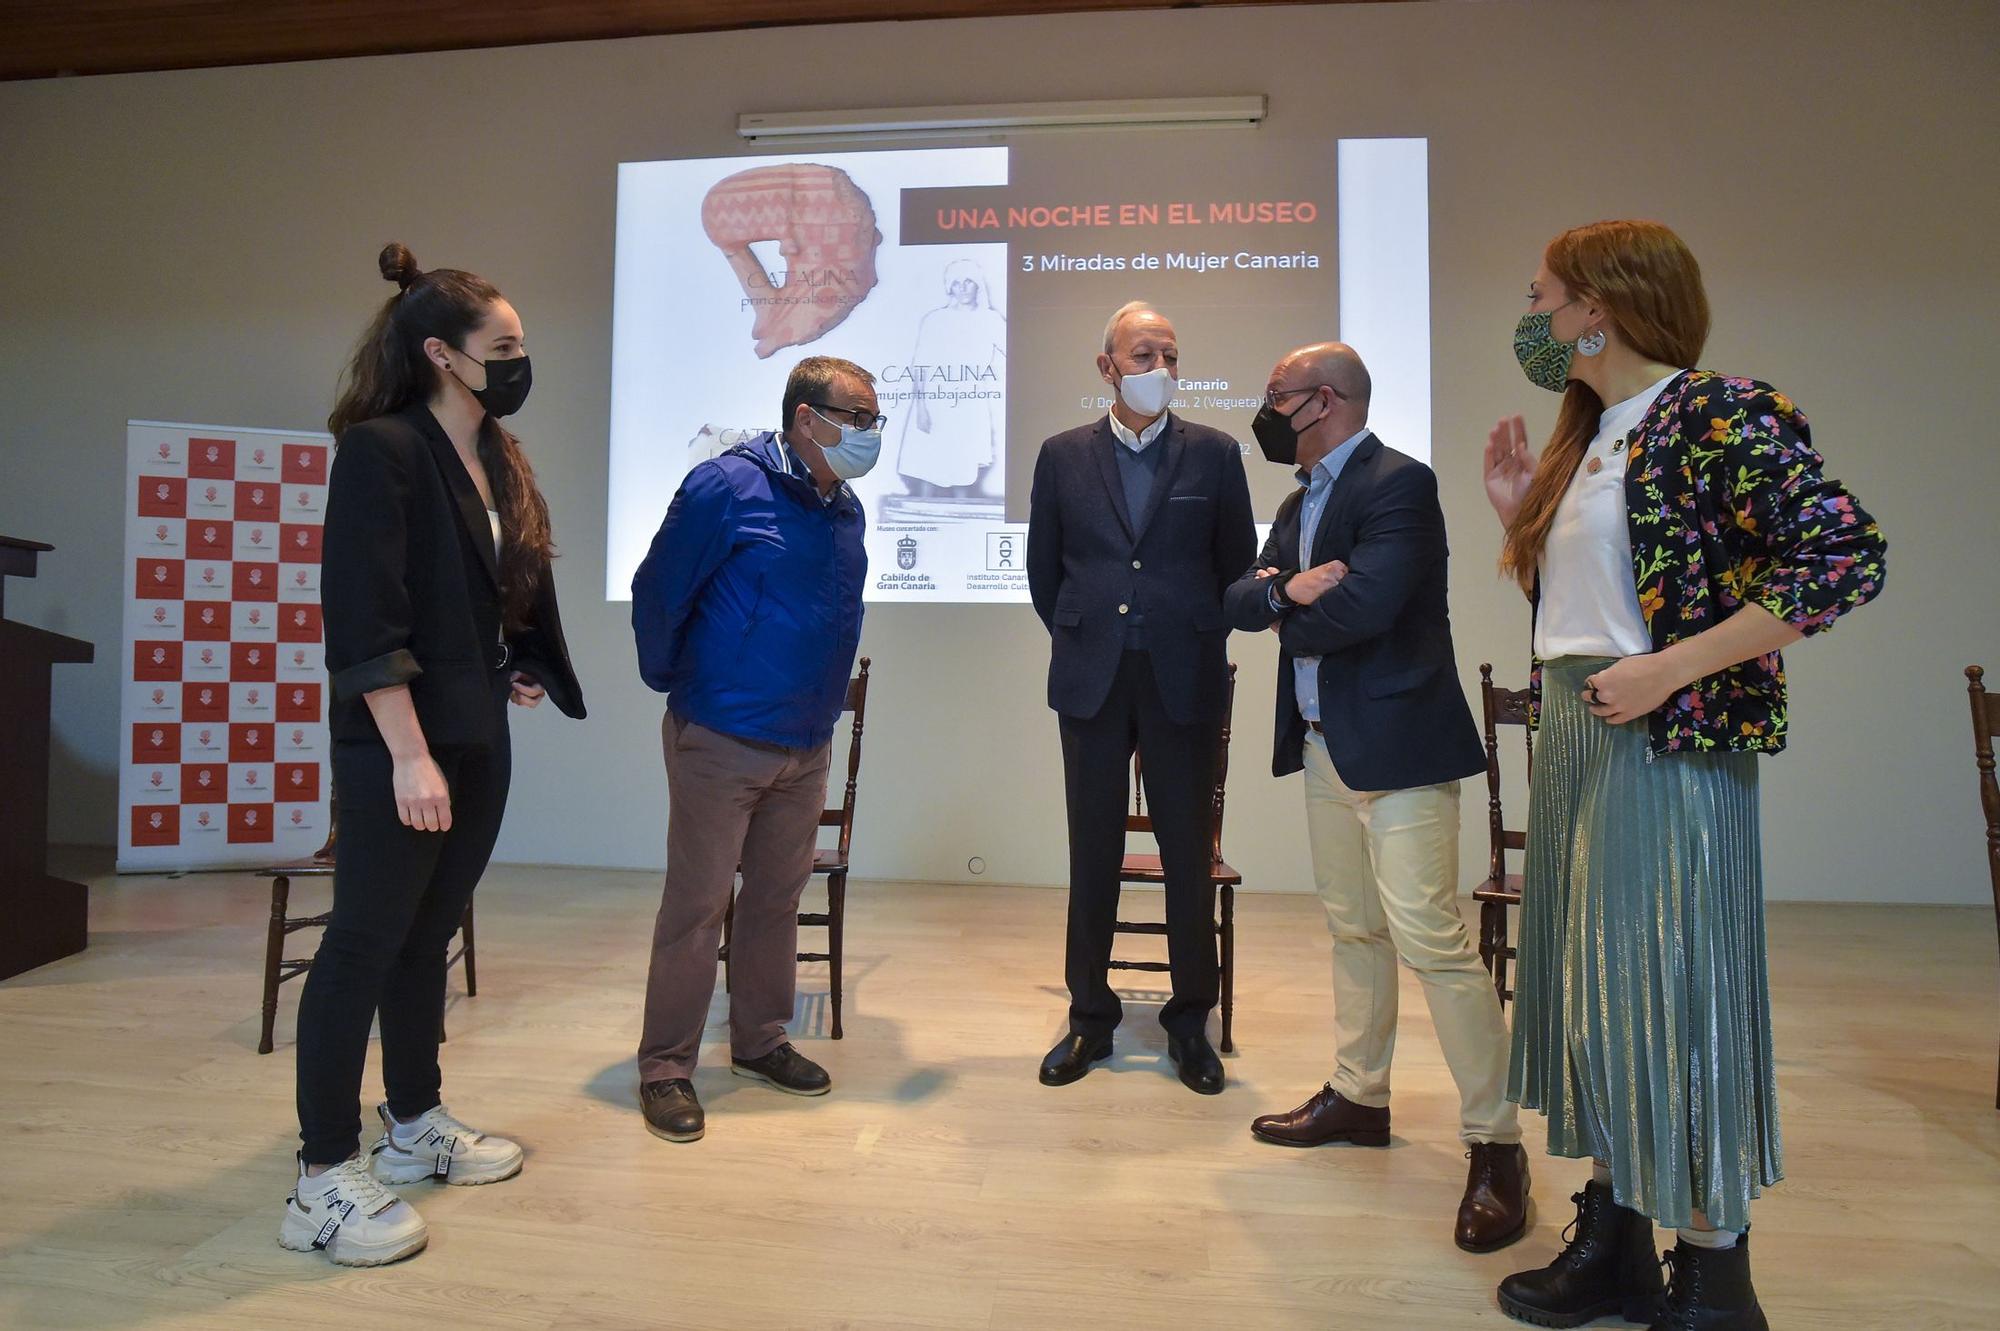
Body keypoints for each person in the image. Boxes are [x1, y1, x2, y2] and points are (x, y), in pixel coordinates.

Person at [1482, 220, 1886, 1329]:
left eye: (1540, 296)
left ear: (1597, 306)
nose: (1530, 318)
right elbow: (1596, 606)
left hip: (1664, 736)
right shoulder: (1593, 431)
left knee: (1673, 984)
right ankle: (1614, 1234)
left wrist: (1669, 669)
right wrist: (1520, 515)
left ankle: (1713, 1267)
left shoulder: (1714, 411)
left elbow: (1843, 556)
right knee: (1591, 989)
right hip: (1578, 726)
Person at [288, 243, 585, 1266]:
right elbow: (365, 619)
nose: (517, 361)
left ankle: (412, 1123)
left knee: (428, 936)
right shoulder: (381, 449)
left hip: (475, 726)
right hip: (398, 744)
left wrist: (513, 659)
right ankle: (321, 1173)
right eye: (501, 346)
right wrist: (408, 755)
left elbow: (478, 586)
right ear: (440, 355)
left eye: (520, 345)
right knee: (361, 945)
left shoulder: (495, 455)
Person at [1224, 342, 1529, 1252]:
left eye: (1274, 394)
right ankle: (1361, 1097)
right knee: (1351, 929)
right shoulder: (1294, 502)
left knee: (1433, 939)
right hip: (1325, 748)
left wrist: (1287, 601)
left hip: (1399, 747)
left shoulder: (1400, 482)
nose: (1265, 409)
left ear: (1321, 401)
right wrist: (1287, 586)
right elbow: (1236, 599)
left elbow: (1370, 608)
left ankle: (1496, 1142)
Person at [630, 355, 875, 1143]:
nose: (871, 435)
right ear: (809, 419)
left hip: (805, 742)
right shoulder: (726, 487)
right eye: (860, 419)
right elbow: (659, 591)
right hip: (722, 736)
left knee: (774, 900)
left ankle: (761, 1040)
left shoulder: (845, 507)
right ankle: (666, 1067)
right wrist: (685, 689)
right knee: (699, 906)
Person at [1025, 301, 1256, 1095]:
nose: (1158, 365)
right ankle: (1089, 1017)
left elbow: (1236, 566)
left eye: (1169, 353)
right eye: (1142, 352)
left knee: (1187, 854)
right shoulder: (1061, 456)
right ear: (1107, 367)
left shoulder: (1217, 455)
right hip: (1091, 679)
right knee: (1091, 851)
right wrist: (1085, 629)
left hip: (1182, 677)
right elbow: (1043, 572)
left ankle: (1190, 1022)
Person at [895, 258, 1007, 500]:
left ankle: (964, 529)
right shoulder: (935, 320)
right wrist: (921, 408)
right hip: (936, 402)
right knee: (927, 465)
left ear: (977, 285)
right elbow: (921, 366)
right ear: (950, 288)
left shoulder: (991, 320)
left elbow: (1015, 355)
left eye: (968, 282)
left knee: (963, 469)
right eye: (957, 283)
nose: (963, 288)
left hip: (969, 404)